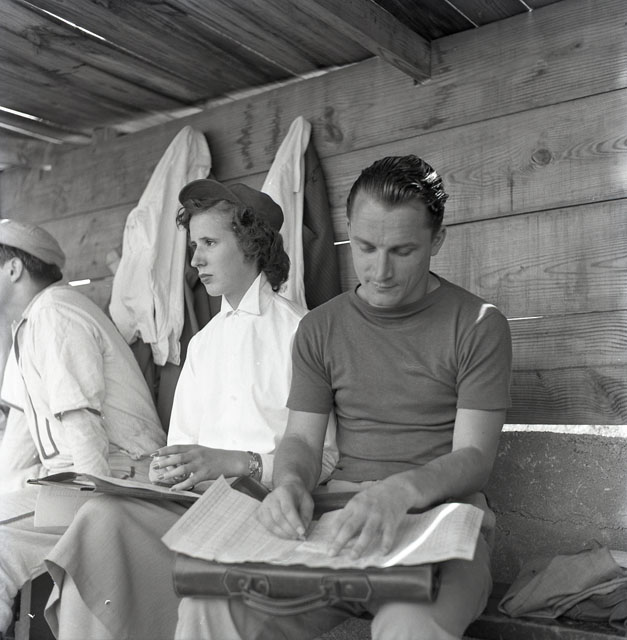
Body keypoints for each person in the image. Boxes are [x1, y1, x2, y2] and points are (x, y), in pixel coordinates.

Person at [175, 155, 513, 640]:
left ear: (437, 241)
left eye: (402, 250)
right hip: (335, 524)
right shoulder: (321, 328)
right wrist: (291, 485)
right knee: (211, 605)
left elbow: (475, 458)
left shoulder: (478, 325)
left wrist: (397, 493)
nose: (380, 271)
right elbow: (301, 441)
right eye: (366, 247)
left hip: (439, 523)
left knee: (409, 625)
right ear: (349, 231)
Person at [43, 180, 338, 640]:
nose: (195, 260)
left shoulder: (302, 331)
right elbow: (182, 448)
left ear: (251, 244)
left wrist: (234, 463)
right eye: (194, 246)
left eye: (209, 243)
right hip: (199, 509)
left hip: (271, 512)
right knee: (99, 517)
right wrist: (168, 469)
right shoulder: (202, 344)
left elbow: (328, 459)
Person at [0, 219, 166, 632]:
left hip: (118, 476)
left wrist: (97, 513)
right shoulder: (35, 318)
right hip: (84, 478)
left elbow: (83, 426)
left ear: (13, 269)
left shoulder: (54, 313)